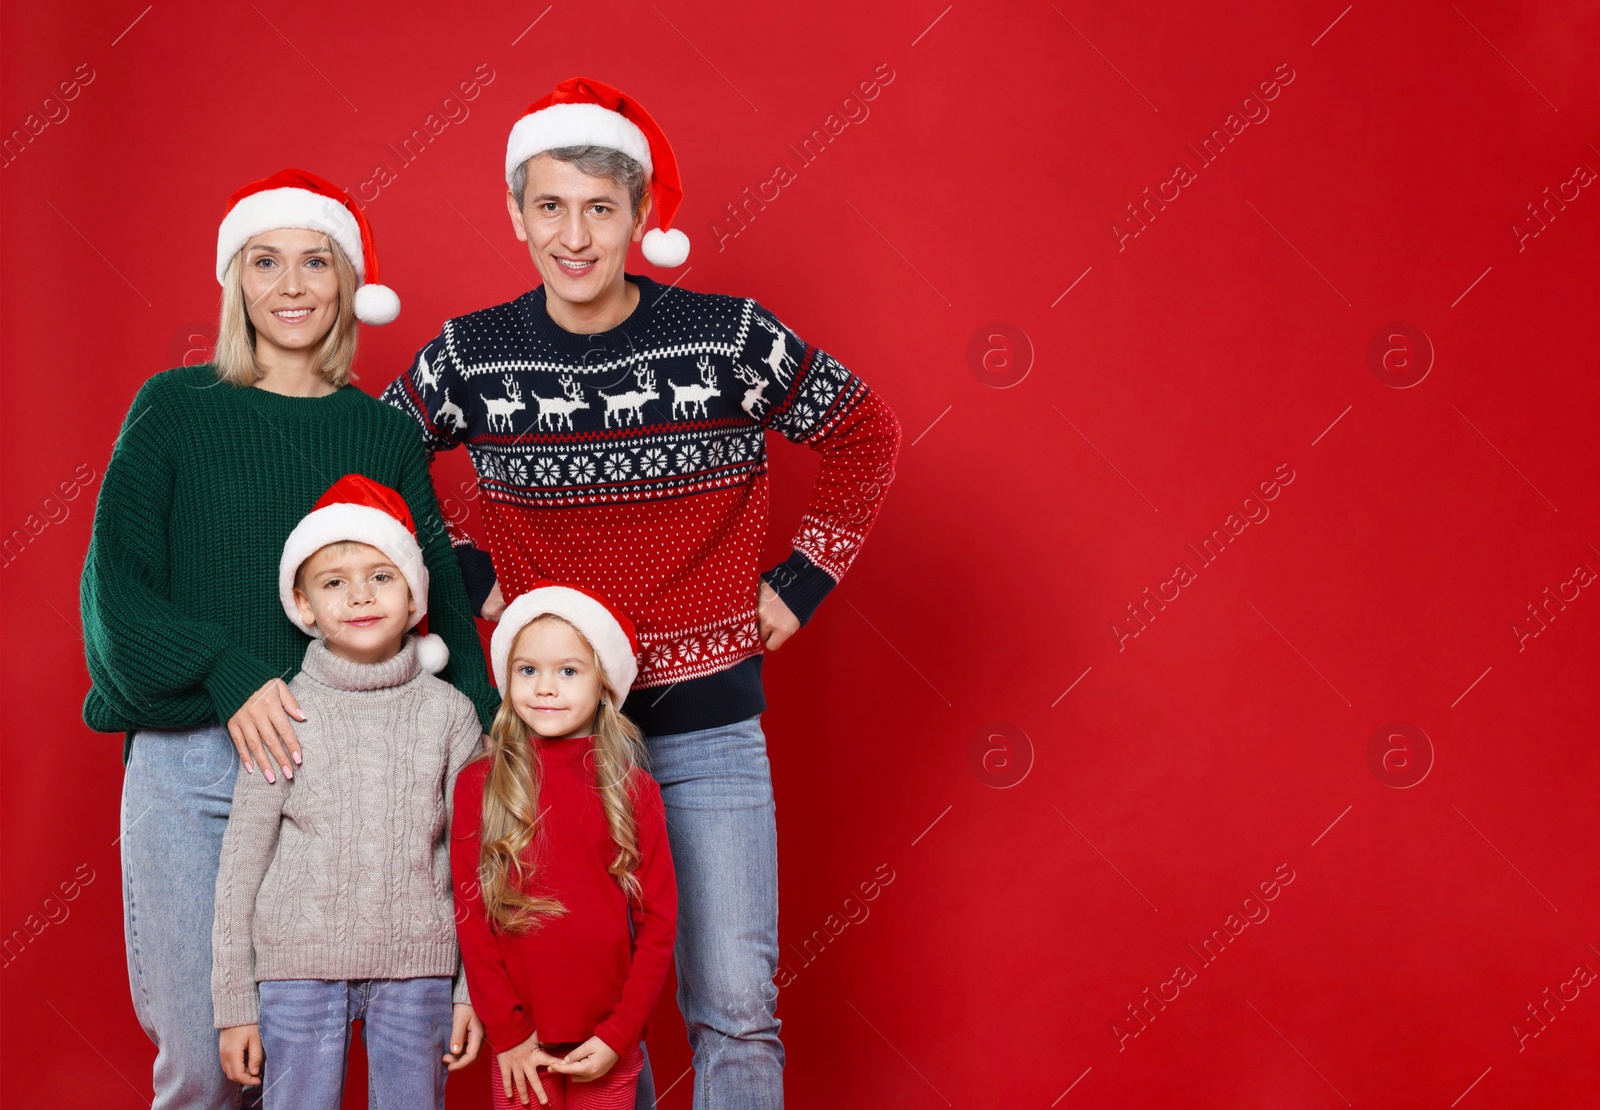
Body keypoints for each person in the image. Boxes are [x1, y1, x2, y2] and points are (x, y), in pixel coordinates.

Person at [382, 77, 902, 1108]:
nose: (573, 235)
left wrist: (798, 583)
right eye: (549, 205)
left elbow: (864, 431)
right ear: (514, 212)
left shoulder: (729, 339)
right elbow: (382, 461)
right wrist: (474, 578)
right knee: (577, 1008)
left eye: (600, 208)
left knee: (735, 1004)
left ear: (639, 218)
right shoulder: (471, 357)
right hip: (548, 748)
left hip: (704, 730)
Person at [79, 168, 499, 1110]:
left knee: (308, 1074)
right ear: (236, 281)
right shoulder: (175, 408)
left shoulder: (379, 436)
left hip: (348, 785)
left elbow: (436, 612)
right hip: (197, 773)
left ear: (349, 283)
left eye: (316, 261)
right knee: (206, 1060)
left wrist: (487, 756)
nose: (293, 285)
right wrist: (227, 671)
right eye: (266, 262)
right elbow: (115, 592)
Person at [211, 473, 486, 1107]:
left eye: (382, 576)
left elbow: (479, 858)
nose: (360, 596)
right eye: (335, 581)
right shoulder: (283, 711)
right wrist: (233, 1002)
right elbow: (242, 863)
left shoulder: (450, 715)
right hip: (296, 968)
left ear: (416, 598)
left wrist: (472, 989)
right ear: (304, 606)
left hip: (419, 970)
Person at [452, 581, 677, 1109]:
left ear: (603, 684)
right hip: (520, 1043)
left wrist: (619, 1034)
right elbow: (472, 914)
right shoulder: (479, 784)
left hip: (607, 1041)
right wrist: (508, 1033)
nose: (545, 687)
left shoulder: (633, 789)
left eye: (568, 671)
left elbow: (659, 921)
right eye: (527, 670)